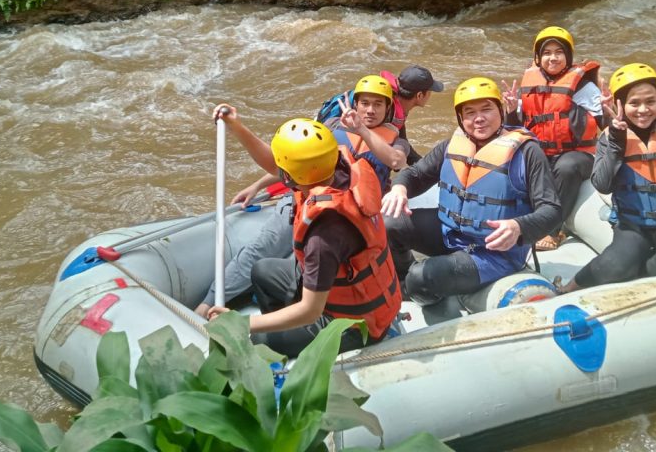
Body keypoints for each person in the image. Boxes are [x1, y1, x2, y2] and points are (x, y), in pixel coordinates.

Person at [194, 75, 410, 320]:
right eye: (365, 103)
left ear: (388, 108)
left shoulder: (396, 140)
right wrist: (257, 184)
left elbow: (395, 160)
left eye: (378, 104)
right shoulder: (330, 131)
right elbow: (294, 164)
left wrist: (360, 128)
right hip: (303, 199)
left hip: (345, 213)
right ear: (355, 104)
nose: (370, 110)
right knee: (261, 249)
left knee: (308, 259)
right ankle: (209, 303)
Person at [203, 108, 402, 358]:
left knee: (260, 338)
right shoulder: (335, 167)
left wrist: (241, 324)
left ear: (289, 175)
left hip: (353, 324)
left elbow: (310, 311)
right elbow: (276, 165)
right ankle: (290, 336)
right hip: (340, 287)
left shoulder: (324, 235)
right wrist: (237, 127)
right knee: (262, 271)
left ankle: (289, 355)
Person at [381, 77, 560, 306]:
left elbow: (552, 209)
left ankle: (422, 287)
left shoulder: (527, 153)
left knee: (420, 277)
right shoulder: (450, 147)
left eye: (487, 109)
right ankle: (408, 285)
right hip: (450, 233)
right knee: (389, 224)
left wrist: (519, 227)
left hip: (493, 253)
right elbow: (415, 174)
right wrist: (399, 188)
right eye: (469, 113)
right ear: (460, 118)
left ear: (500, 111)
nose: (479, 119)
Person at [555, 63, 656, 295]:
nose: (643, 110)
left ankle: (643, 275)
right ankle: (568, 288)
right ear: (620, 105)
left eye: (651, 101)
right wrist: (616, 144)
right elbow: (602, 184)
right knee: (615, 265)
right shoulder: (611, 138)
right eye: (634, 103)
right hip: (634, 227)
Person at [503, 26, 602, 248]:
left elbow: (606, 123)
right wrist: (510, 109)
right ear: (537, 58)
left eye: (559, 52)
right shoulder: (529, 84)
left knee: (567, 167)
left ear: (568, 56)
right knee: (516, 162)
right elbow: (513, 128)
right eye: (547, 53)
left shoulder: (583, 86)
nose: (553, 58)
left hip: (578, 155)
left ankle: (552, 231)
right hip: (542, 153)